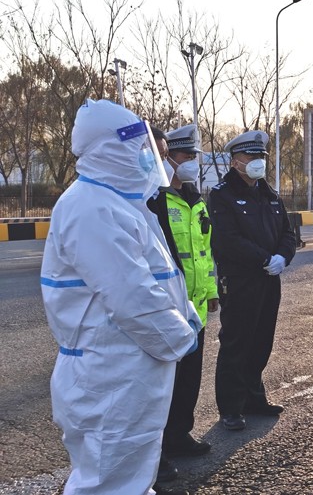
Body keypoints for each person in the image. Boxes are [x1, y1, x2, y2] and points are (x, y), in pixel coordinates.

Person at [40, 99, 200, 495]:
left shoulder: (121, 203)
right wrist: (180, 337)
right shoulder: (91, 207)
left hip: (126, 370)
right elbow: (132, 297)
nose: (147, 157)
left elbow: (160, 276)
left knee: (129, 476)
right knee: (108, 483)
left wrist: (186, 313)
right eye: (137, 147)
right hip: (109, 376)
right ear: (110, 149)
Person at [208, 130, 297, 432]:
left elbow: (287, 233)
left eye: (261, 156)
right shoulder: (222, 195)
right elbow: (227, 239)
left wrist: (283, 257)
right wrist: (264, 259)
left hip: (269, 279)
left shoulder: (270, 194)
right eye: (251, 156)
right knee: (237, 342)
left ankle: (254, 398)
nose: (258, 161)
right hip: (240, 280)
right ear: (235, 161)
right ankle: (231, 407)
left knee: (261, 340)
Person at [147, 124, 219, 458]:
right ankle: (158, 446)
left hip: (197, 307)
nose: (192, 162)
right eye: (185, 156)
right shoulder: (156, 200)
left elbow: (205, 251)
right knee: (165, 381)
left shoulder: (196, 199)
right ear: (168, 159)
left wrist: (212, 291)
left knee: (190, 378)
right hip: (170, 307)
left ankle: (179, 434)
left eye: (194, 156)